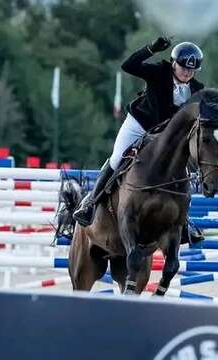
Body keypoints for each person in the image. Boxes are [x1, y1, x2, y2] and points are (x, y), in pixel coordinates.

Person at [73, 37, 205, 243]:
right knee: (117, 158)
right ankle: (90, 203)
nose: (187, 73)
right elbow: (128, 66)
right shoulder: (159, 72)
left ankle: (184, 220)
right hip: (139, 124)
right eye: (183, 67)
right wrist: (151, 49)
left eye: (192, 69)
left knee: (181, 170)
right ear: (173, 63)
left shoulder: (196, 89)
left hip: (165, 135)